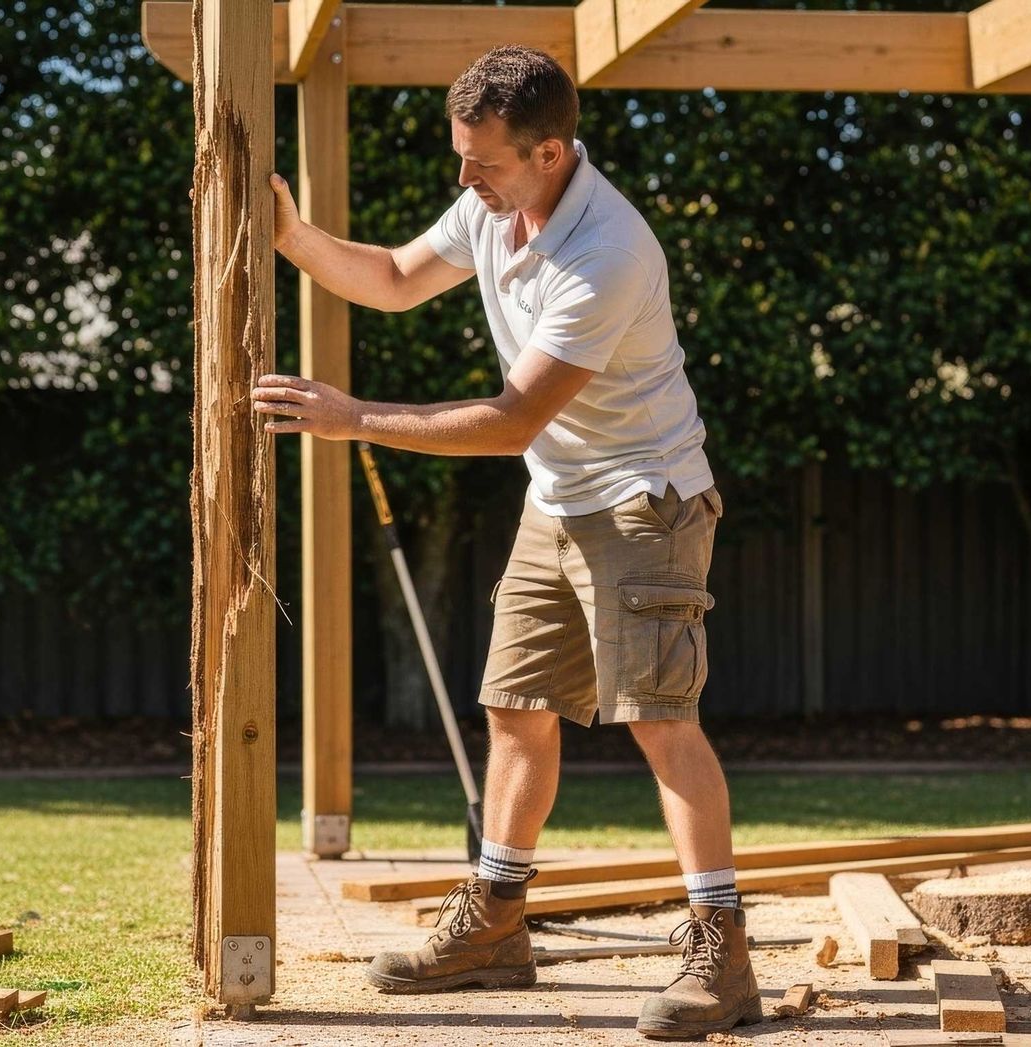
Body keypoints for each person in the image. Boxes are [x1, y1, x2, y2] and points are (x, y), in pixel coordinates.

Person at [252, 45, 759, 1039]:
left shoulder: (607, 252)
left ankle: (723, 949)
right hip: (558, 498)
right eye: (462, 157)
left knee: (660, 720)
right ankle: (495, 922)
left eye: (484, 163)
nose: (465, 179)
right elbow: (396, 276)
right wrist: (294, 238)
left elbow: (507, 419)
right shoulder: (492, 204)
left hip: (644, 501)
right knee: (516, 709)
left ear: (552, 153)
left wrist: (352, 417)